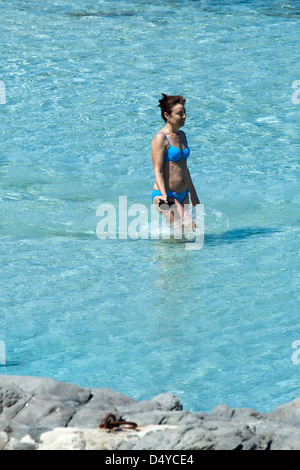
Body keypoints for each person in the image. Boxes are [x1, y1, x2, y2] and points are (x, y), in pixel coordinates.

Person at [151, 94, 200, 227]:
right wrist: (163, 195)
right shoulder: (160, 138)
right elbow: (158, 170)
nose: (184, 116)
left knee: (178, 235)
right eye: (179, 114)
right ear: (167, 115)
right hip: (166, 194)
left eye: (184, 112)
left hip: (183, 194)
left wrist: (194, 194)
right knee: (190, 226)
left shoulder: (182, 136)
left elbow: (184, 168)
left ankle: (162, 248)